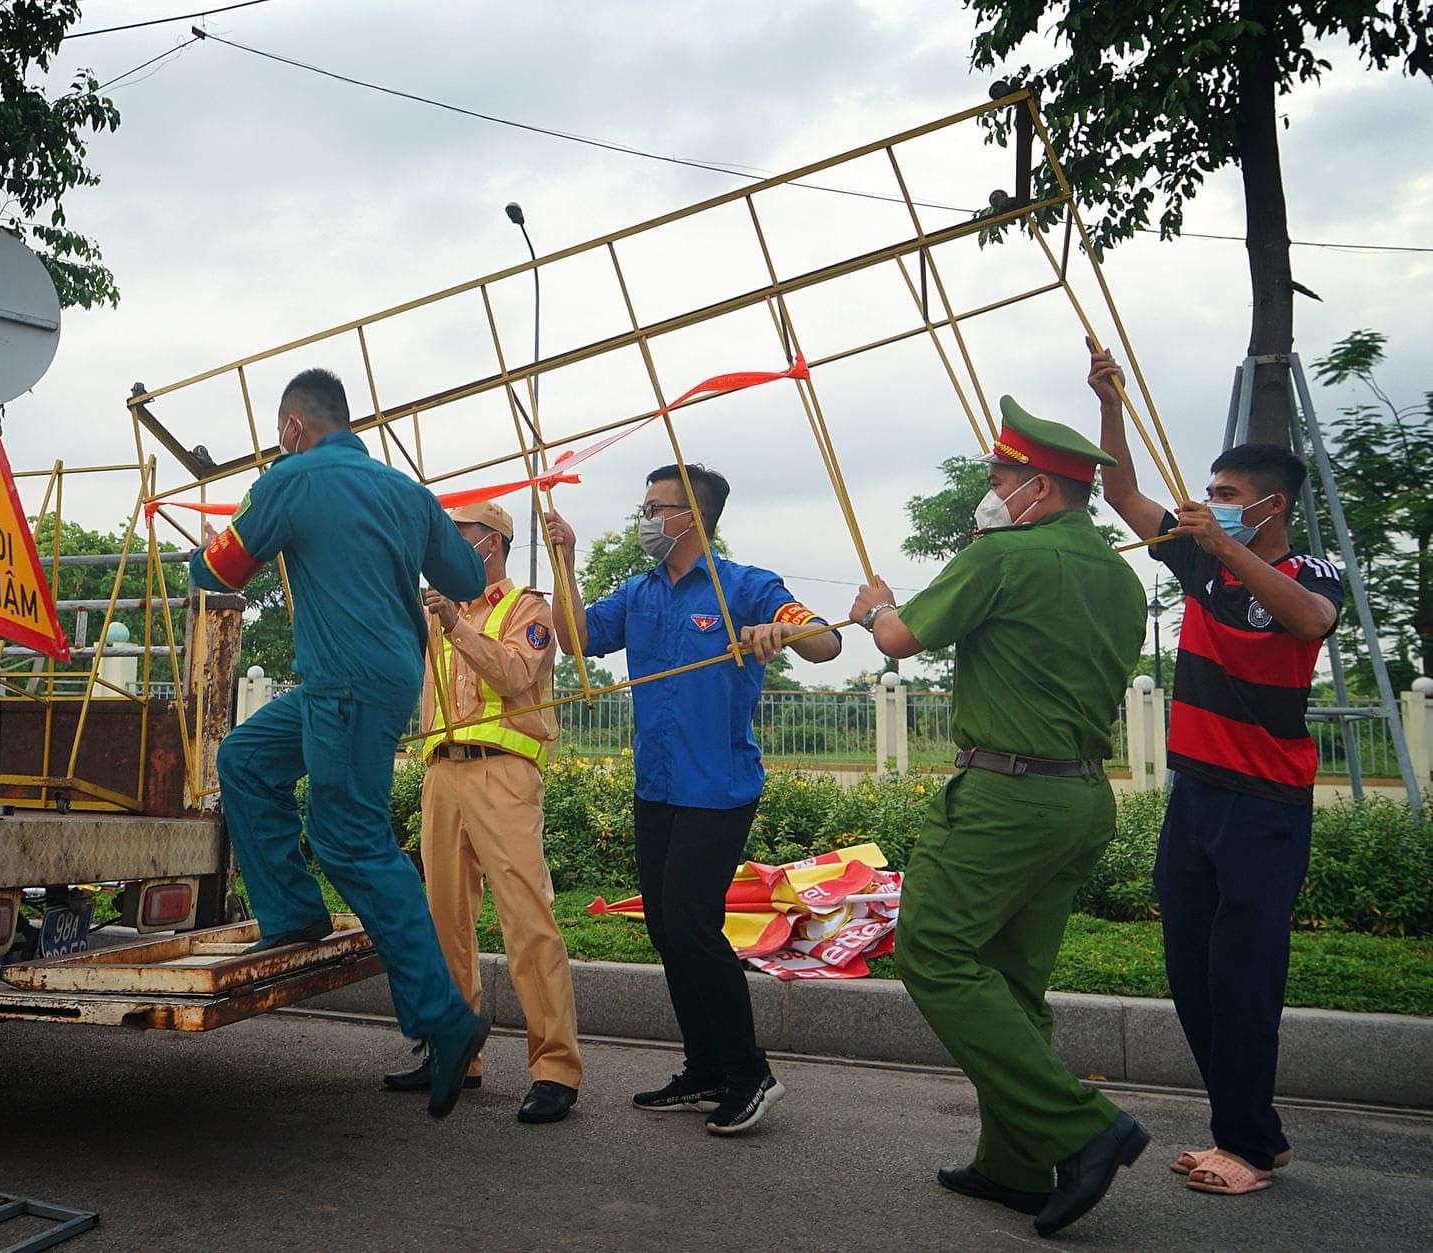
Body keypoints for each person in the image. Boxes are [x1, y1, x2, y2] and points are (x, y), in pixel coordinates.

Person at [849, 397, 1150, 1236]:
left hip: (1003, 799)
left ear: (1042, 488)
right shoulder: (1120, 575)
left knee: (935, 955)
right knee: (1014, 982)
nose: (990, 491)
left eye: (1000, 477)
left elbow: (902, 637)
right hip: (1080, 798)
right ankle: (1014, 1164)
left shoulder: (1003, 555)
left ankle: (1085, 1127)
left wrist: (873, 605)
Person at [190, 367, 491, 1120]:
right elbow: (462, 573)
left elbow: (220, 570)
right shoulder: (405, 489)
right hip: (367, 676)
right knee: (246, 759)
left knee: (349, 834)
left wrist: (205, 547)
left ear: (292, 426)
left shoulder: (291, 478)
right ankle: (292, 913)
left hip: (347, 680)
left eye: (278, 430)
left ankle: (445, 1016)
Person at [1090, 342, 1342, 1197]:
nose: (1211, 506)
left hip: (1264, 802)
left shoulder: (1309, 570)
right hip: (1194, 794)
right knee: (1190, 970)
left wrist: (1223, 550)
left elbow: (1306, 621)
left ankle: (1242, 1142)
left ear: (1271, 505)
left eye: (1228, 497)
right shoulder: (1199, 558)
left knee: (1243, 975)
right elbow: (1120, 492)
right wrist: (1111, 401)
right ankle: (1252, 1134)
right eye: (1211, 494)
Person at [545, 463, 842, 1136]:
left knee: (689, 922)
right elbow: (576, 638)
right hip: (657, 783)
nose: (646, 517)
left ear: (694, 518)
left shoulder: (747, 586)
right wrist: (563, 559)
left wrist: (782, 632)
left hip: (718, 787)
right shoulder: (640, 592)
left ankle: (749, 1071)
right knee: (664, 925)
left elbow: (826, 640)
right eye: (644, 504)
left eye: (658, 507)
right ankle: (704, 1066)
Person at [384, 500, 583, 1124]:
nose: (444, 548)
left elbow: (516, 678)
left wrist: (456, 627)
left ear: (490, 543)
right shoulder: (439, 611)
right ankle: (453, 1053)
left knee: (528, 921)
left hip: (504, 774)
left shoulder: (526, 608)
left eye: (457, 536)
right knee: (444, 922)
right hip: (442, 773)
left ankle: (555, 1069)